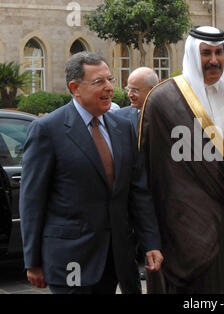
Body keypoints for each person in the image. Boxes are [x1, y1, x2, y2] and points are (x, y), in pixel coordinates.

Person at [139, 26, 224, 293]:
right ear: (192, 54)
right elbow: (149, 176)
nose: (214, 60)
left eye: (219, 52)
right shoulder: (163, 100)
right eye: (206, 53)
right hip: (183, 233)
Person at [19, 52, 163, 294]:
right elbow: (32, 201)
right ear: (75, 88)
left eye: (110, 79)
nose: (109, 88)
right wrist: (32, 261)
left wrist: (151, 243)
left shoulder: (123, 128)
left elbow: (138, 192)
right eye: (99, 82)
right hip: (71, 259)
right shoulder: (48, 130)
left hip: (118, 258)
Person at [115, 67, 159, 133]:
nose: (129, 95)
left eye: (135, 90)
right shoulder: (119, 116)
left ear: (151, 90)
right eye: (128, 89)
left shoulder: (167, 116)